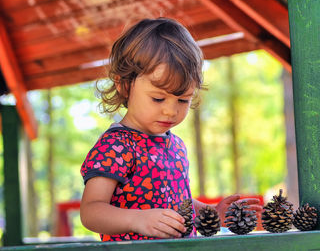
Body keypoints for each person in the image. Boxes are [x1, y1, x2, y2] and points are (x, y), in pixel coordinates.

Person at [80, 17, 262, 241]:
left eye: (183, 100)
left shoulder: (175, 145)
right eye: (158, 99)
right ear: (124, 85)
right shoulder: (116, 146)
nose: (170, 111)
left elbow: (177, 203)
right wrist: (138, 219)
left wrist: (210, 212)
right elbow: (90, 212)